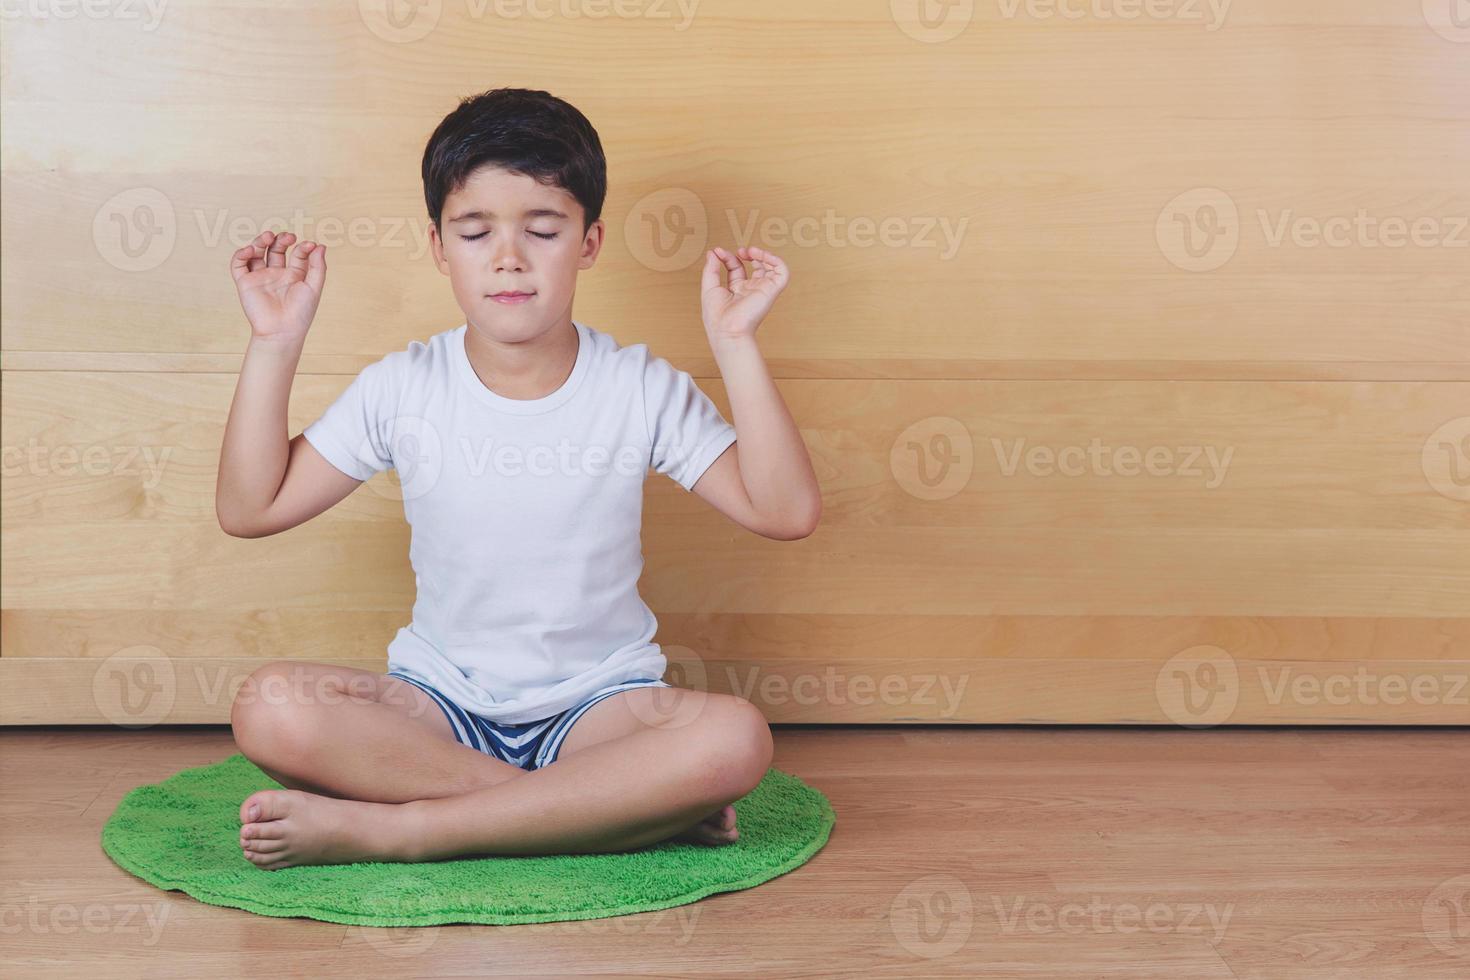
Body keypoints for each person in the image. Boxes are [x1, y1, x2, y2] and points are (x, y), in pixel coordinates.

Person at [215, 88, 821, 869]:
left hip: (602, 712)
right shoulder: (404, 384)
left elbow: (786, 511)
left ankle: (407, 830)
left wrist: (736, 341)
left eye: (542, 229)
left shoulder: (637, 384)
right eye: (475, 232)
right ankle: (596, 809)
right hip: (436, 707)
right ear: (439, 247)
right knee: (271, 707)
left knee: (735, 737)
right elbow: (249, 506)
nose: (509, 257)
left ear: (589, 242)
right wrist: (273, 343)